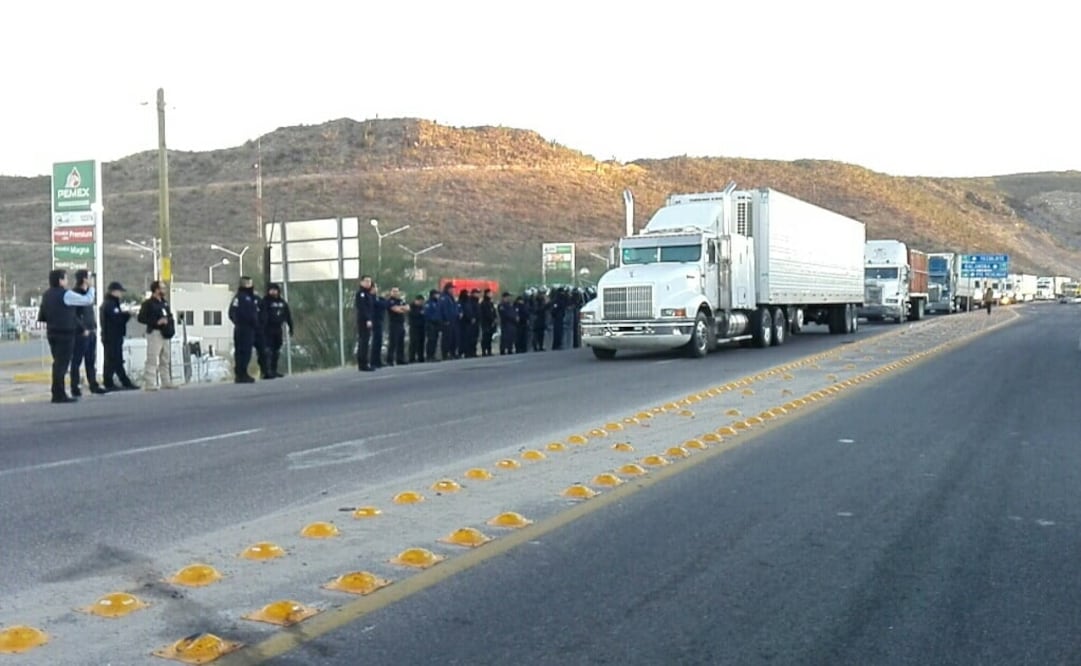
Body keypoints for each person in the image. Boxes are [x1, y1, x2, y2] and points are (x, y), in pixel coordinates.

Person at [37, 268, 96, 403]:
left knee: (57, 363)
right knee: (62, 364)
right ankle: (59, 394)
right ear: (60, 280)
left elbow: (42, 316)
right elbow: (87, 300)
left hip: (52, 332)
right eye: (65, 278)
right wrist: (91, 287)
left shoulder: (46, 295)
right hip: (65, 333)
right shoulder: (66, 294)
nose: (67, 281)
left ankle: (57, 391)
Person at [69, 270, 107, 396]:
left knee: (90, 360)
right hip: (81, 333)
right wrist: (82, 328)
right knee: (76, 361)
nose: (92, 280)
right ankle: (75, 387)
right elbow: (73, 315)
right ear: (84, 279)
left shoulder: (89, 294)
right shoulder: (75, 294)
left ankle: (93, 385)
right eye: (90, 277)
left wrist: (93, 327)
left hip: (91, 331)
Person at [137, 280, 177, 390]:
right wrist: (156, 322)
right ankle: (150, 383)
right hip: (155, 333)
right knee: (153, 358)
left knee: (165, 358)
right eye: (162, 288)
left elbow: (169, 316)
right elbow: (141, 318)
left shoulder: (164, 303)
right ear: (156, 290)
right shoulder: (148, 304)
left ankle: (166, 381)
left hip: (165, 333)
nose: (164, 290)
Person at [99, 281, 137, 391]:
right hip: (111, 336)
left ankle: (118, 382)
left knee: (114, 360)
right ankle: (112, 382)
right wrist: (127, 315)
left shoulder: (113, 304)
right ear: (114, 292)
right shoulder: (109, 304)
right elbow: (117, 319)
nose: (121, 294)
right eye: (119, 291)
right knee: (112, 360)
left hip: (114, 336)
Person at [228, 276, 261, 382]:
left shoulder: (252, 297)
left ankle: (243, 372)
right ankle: (240, 374)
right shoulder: (240, 297)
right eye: (247, 283)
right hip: (243, 328)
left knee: (246, 352)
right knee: (242, 351)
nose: (249, 285)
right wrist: (239, 322)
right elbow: (232, 312)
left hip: (250, 328)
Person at [261, 283, 293, 378]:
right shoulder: (265, 302)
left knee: (276, 350)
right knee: (268, 351)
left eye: (275, 290)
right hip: (267, 330)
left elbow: (288, 316)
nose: (273, 292)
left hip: (278, 329)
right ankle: (267, 371)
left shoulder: (282, 303)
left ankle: (274, 370)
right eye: (271, 290)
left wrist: (291, 327)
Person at [354, 275, 374, 371]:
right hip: (363, 321)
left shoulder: (368, 294)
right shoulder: (361, 294)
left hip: (368, 320)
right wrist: (368, 319)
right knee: (363, 342)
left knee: (366, 342)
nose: (368, 283)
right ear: (361, 282)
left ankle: (365, 362)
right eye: (366, 281)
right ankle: (362, 364)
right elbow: (362, 308)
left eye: (369, 281)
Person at [385, 287, 409, 366]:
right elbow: (396, 310)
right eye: (394, 291)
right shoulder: (390, 301)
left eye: (397, 291)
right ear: (391, 292)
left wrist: (401, 308)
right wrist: (402, 308)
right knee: (393, 342)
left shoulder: (401, 300)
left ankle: (400, 359)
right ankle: (390, 360)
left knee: (401, 342)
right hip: (393, 324)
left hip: (401, 323)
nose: (395, 293)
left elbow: (408, 308)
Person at [370, 284, 388, 369]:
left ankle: (378, 361)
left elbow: (384, 304)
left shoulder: (378, 298)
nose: (376, 289)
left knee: (379, 341)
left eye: (376, 287)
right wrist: (380, 304)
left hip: (380, 321)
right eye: (374, 287)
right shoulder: (370, 298)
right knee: (375, 341)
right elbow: (376, 305)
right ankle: (373, 361)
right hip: (374, 321)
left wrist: (381, 303)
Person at [423, 289, 443, 361]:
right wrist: (433, 320)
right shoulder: (429, 303)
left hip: (437, 324)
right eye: (436, 294)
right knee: (431, 340)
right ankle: (429, 356)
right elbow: (427, 314)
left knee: (435, 340)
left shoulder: (438, 303)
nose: (438, 296)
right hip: (430, 324)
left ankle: (433, 355)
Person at [408, 294, 426, 363]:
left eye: (422, 302)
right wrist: (420, 313)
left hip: (421, 326)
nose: (421, 303)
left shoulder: (422, 307)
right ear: (416, 300)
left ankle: (420, 357)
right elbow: (412, 314)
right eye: (420, 301)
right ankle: (411, 358)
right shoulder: (411, 306)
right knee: (414, 342)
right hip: (414, 327)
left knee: (421, 342)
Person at [479, 289, 497, 357]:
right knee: (485, 337)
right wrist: (491, 319)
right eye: (490, 293)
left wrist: (494, 319)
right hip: (486, 323)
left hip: (491, 323)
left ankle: (489, 350)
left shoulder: (491, 303)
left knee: (490, 337)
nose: (491, 294)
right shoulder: (483, 303)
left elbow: (494, 312)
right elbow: (486, 314)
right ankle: (484, 351)